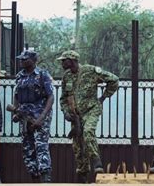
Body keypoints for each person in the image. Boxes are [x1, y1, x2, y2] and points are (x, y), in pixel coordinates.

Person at [57, 50, 119, 183]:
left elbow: (114, 80)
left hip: (91, 109)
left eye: (64, 60)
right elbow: (63, 98)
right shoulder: (66, 77)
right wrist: (66, 112)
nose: (62, 63)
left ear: (72, 60)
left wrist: (103, 97)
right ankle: (82, 176)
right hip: (76, 116)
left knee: (88, 132)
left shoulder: (91, 71)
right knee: (78, 147)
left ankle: (97, 163)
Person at [13, 50, 54, 183]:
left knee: (41, 147)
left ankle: (45, 180)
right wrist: (16, 112)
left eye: (25, 59)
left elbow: (50, 97)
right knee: (28, 149)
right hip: (25, 117)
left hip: (39, 117)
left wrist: (41, 118)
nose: (22, 61)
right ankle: (35, 180)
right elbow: (17, 96)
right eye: (21, 59)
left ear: (33, 60)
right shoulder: (20, 76)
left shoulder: (42, 75)